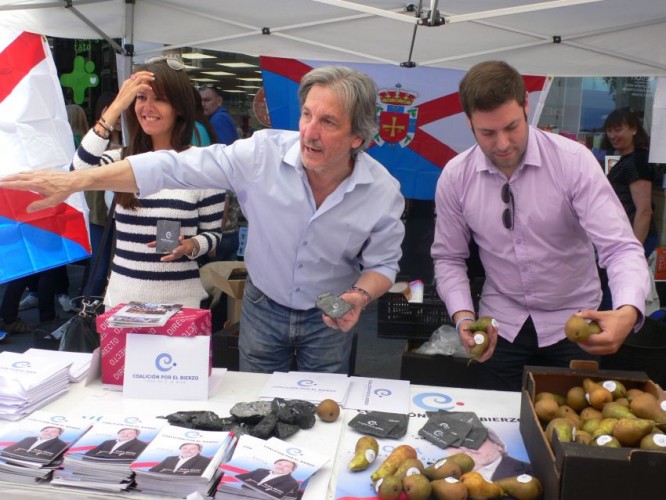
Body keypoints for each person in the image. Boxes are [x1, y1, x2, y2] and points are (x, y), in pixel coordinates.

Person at [1, 66, 406, 374]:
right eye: (306, 115)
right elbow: (171, 167)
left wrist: (359, 296)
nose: (309, 133)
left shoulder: (382, 192)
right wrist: (76, 179)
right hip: (263, 307)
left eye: (328, 122)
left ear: (359, 137)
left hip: (329, 317)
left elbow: (383, 264)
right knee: (256, 410)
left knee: (321, 409)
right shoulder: (261, 155)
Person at [431, 60, 650, 392]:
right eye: (487, 133)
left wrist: (628, 310)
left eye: (512, 127)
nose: (502, 144)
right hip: (500, 325)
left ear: (526, 106)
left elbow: (619, 247)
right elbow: (448, 257)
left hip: (574, 321)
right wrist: (463, 316)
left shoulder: (573, 162)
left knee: (569, 426)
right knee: (494, 427)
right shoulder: (456, 176)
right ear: (469, 122)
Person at [68, 57, 225, 308]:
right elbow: (76, 174)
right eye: (141, 98)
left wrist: (191, 245)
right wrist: (115, 107)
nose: (147, 107)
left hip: (180, 306)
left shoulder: (202, 167)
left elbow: (213, 235)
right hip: (123, 303)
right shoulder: (121, 160)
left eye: (160, 99)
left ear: (180, 108)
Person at [602, 108, 656, 257]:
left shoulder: (637, 160)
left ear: (633, 129)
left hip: (634, 238)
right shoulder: (628, 158)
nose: (613, 136)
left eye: (618, 130)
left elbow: (644, 210)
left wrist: (633, 251)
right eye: (609, 131)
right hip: (623, 237)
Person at [446, 427, 531, 482]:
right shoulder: (443, 476)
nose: (465, 448)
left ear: (499, 445)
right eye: (457, 445)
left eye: (475, 441)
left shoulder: (529, 471)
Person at [235, 459, 300, 498]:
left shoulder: (292, 482)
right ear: (275, 464)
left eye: (287, 466)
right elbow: (238, 477)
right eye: (279, 464)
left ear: (291, 470)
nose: (281, 467)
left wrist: (250, 482)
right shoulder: (260, 470)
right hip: (239, 494)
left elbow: (273, 495)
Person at [0, 426, 68, 461]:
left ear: (59, 434)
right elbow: (7, 450)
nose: (48, 433)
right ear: (41, 431)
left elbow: (43, 457)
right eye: (46, 430)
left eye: (53, 432)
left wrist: (19, 451)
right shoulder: (29, 438)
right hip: (10, 461)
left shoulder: (61, 444)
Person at [83, 427, 148, 461]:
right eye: (123, 432)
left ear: (136, 435)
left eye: (130, 433)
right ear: (118, 434)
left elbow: (131, 460)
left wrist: (102, 457)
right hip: (94, 466)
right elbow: (88, 454)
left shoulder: (142, 445)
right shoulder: (108, 442)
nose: (125, 434)